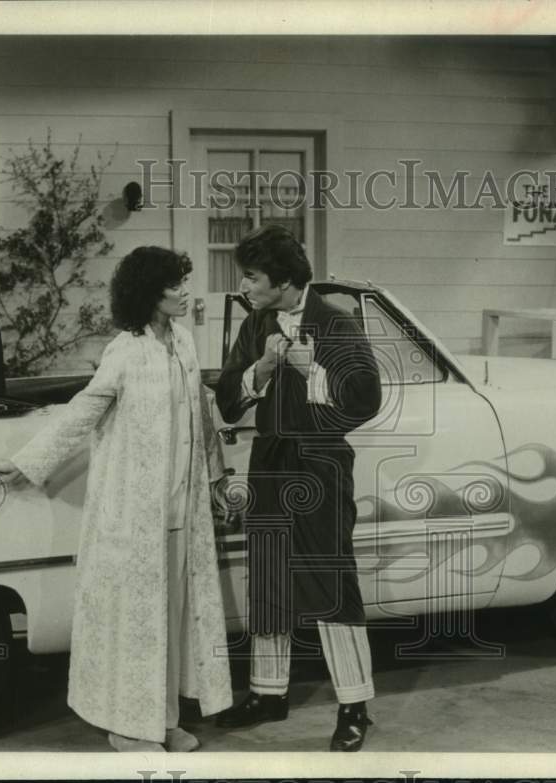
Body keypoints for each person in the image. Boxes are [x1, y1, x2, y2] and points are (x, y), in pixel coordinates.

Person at [0, 246, 232, 752]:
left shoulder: (183, 342)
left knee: (170, 625)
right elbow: (85, 408)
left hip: (182, 514)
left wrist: (216, 477)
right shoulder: (126, 349)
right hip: (134, 516)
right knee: (135, 627)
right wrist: (28, 460)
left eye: (184, 283)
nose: (185, 293)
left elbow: (201, 416)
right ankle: (128, 727)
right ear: (149, 292)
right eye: (176, 286)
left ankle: (162, 722)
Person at [214, 224, 381, 752]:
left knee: (330, 581)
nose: (246, 284)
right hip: (270, 460)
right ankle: (268, 694)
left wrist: (316, 375)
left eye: (253, 276)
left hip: (322, 464)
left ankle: (355, 706)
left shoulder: (337, 320)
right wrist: (259, 370)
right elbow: (226, 398)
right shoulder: (256, 320)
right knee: (268, 576)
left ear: (284, 281)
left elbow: (365, 399)